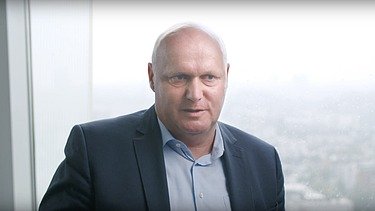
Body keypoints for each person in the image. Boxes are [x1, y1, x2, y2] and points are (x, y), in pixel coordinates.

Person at [39, 23, 285, 211]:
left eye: (209, 77)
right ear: (152, 77)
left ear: (226, 77)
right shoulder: (95, 150)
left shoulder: (264, 162)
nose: (195, 94)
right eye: (179, 77)